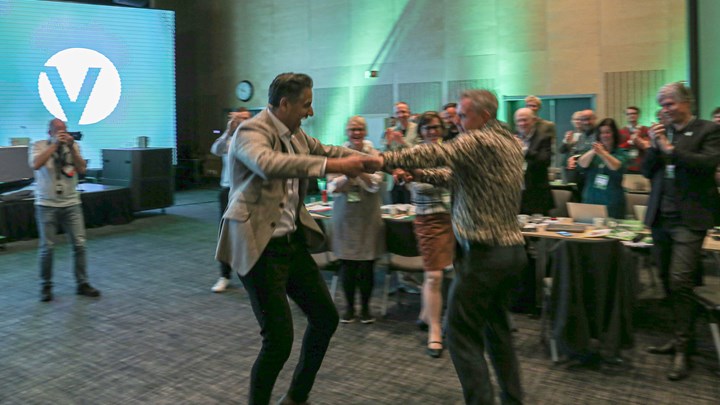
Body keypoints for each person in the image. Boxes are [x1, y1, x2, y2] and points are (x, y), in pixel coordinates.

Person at [214, 72, 377, 405]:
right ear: (284, 103)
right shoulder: (252, 131)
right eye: (306, 104)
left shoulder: (296, 134)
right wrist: (336, 165)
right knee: (278, 341)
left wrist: (369, 161)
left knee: (326, 319)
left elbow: (328, 149)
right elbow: (268, 163)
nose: (310, 112)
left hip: (290, 244)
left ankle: (296, 397)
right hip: (258, 246)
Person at [371, 89, 527, 404]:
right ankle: (513, 398)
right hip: (510, 253)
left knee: (459, 335)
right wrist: (416, 175)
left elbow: (434, 153)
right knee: (496, 331)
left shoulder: (479, 140)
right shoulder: (508, 141)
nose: (457, 120)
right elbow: (454, 177)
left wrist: (378, 159)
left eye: (463, 115)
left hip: (484, 255)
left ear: (484, 115)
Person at [643, 82, 720, 381]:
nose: (665, 109)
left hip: (690, 218)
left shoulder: (706, 130)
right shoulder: (664, 132)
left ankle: (683, 349)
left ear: (687, 102)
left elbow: (707, 164)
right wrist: (653, 146)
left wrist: (670, 150)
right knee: (664, 278)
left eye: (670, 103)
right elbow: (649, 170)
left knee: (680, 278)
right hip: (662, 215)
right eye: (662, 104)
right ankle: (677, 337)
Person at [30, 118, 100, 302]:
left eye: (65, 129)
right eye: (58, 130)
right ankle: (45, 286)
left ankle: (82, 283)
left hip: (71, 203)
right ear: (50, 132)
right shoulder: (39, 145)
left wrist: (71, 147)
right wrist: (53, 146)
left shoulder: (73, 145)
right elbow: (36, 164)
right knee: (47, 247)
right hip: (46, 204)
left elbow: (82, 168)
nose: (63, 132)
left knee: (79, 244)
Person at [327, 116, 385, 325]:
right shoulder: (337, 154)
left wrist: (355, 171)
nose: (356, 133)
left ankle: (367, 309)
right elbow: (332, 187)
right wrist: (353, 174)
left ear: (366, 131)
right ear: (347, 131)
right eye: (352, 129)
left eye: (360, 129)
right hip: (345, 217)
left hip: (368, 217)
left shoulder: (374, 154)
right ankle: (350, 308)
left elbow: (376, 185)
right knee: (347, 265)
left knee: (367, 265)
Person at [408, 111, 455, 358]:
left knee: (451, 273)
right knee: (434, 275)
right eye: (427, 128)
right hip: (428, 218)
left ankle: (427, 314)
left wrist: (433, 178)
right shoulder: (414, 154)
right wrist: (443, 178)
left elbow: (457, 180)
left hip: (454, 217)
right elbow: (417, 186)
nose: (432, 132)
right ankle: (434, 331)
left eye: (436, 127)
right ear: (421, 131)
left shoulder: (450, 151)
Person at [210, 107, 252, 293]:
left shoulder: (255, 139)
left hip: (248, 191)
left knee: (249, 234)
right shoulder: (228, 139)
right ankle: (224, 275)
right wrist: (228, 130)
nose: (244, 121)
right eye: (240, 118)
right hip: (227, 190)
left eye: (247, 118)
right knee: (225, 234)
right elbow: (215, 150)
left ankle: (251, 275)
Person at [577, 118, 628, 219]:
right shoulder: (592, 153)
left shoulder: (621, 152)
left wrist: (603, 153)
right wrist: (593, 151)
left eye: (607, 132)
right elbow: (581, 164)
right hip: (591, 200)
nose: (604, 135)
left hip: (612, 202)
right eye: (601, 133)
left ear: (614, 134)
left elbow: (615, 166)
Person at [515, 107, 554, 215]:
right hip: (517, 193)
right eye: (519, 120)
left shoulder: (544, 138)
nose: (522, 123)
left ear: (533, 121)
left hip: (537, 193)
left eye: (525, 120)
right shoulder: (512, 137)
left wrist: (525, 150)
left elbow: (545, 161)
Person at [384, 101, 419, 204]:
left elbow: (419, 152)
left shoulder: (417, 129)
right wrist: (388, 144)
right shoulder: (391, 131)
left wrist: (402, 142)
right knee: (395, 213)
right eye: (398, 112)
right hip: (394, 179)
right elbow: (384, 156)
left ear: (409, 113)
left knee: (412, 212)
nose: (401, 115)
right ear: (395, 115)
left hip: (411, 177)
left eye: (403, 112)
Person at [618, 106, 650, 173]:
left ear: (638, 115)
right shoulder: (621, 132)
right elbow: (619, 148)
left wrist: (639, 140)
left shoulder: (646, 130)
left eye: (634, 113)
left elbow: (649, 147)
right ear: (626, 116)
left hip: (642, 165)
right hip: (626, 165)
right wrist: (630, 142)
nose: (631, 115)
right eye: (628, 114)